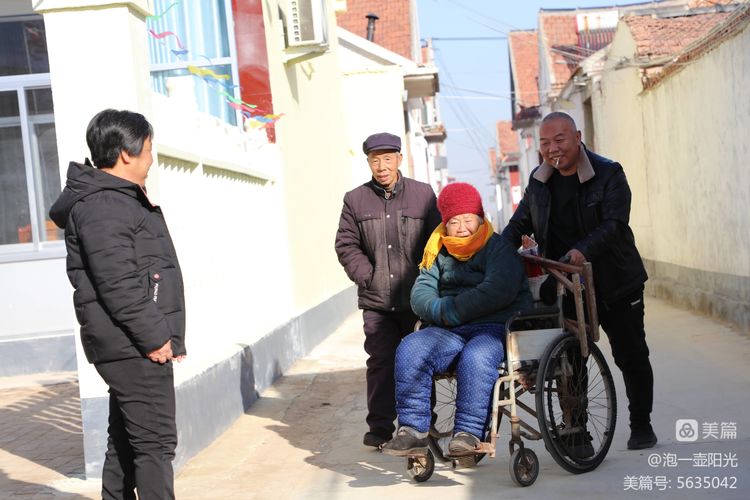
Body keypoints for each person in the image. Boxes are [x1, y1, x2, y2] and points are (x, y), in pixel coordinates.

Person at [501, 111, 657, 450]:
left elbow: (614, 224)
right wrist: (495, 253)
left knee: (630, 354)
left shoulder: (609, 174)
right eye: (545, 143)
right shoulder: (539, 182)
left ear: (577, 137)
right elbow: (518, 224)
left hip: (616, 280)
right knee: (569, 361)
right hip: (566, 284)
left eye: (560, 140)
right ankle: (575, 429)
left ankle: (641, 423)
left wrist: (580, 251)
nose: (552, 148)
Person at [50, 109, 185, 499]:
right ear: (127, 153)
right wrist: (155, 336)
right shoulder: (105, 205)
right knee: (155, 445)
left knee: (126, 444)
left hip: (128, 342)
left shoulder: (112, 200)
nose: (151, 158)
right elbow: (118, 283)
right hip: (133, 344)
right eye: (149, 149)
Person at [381, 182, 531, 457]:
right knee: (411, 347)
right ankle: (412, 431)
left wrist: (450, 310)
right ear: (445, 224)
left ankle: (468, 434)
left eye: (468, 220)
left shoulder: (498, 248)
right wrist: (441, 312)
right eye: (454, 221)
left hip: (494, 327)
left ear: (480, 218)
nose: (462, 228)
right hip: (449, 329)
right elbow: (421, 293)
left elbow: (497, 290)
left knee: (477, 356)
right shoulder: (437, 250)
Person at [335, 132, 441, 448]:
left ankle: (423, 423)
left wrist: (428, 281)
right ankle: (380, 427)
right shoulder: (355, 199)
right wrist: (368, 276)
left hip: (417, 298)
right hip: (377, 301)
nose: (381, 166)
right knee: (381, 362)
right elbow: (346, 244)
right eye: (374, 160)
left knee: (420, 361)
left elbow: (437, 241)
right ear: (368, 162)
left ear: (399, 159)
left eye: (387, 159)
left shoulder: (423, 194)